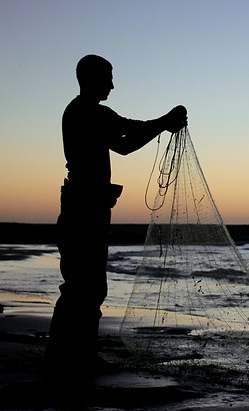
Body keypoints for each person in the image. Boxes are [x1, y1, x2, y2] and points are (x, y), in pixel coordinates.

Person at [46, 54, 187, 374]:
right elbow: (128, 136)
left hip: (86, 205)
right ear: (90, 78)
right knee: (84, 286)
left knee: (84, 285)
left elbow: (125, 141)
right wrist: (164, 123)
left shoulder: (84, 111)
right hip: (84, 207)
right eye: (107, 77)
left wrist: (162, 124)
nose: (111, 84)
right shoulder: (87, 112)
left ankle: (71, 355)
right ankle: (71, 358)